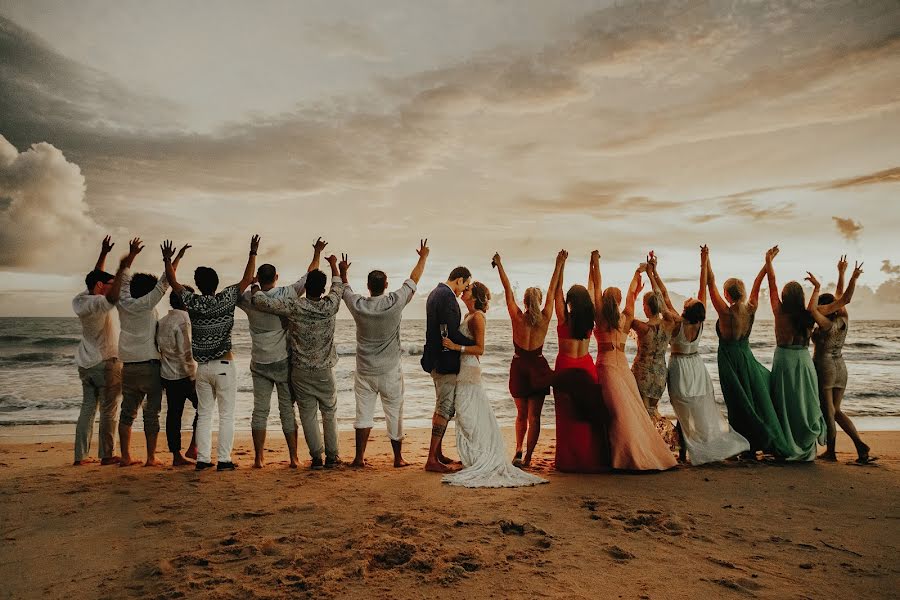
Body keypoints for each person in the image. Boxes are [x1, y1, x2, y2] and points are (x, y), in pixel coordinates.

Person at [163, 236, 259, 471]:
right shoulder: (226, 298)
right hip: (225, 366)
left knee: (205, 414)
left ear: (198, 284)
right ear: (216, 283)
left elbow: (173, 282)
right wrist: (252, 252)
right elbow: (247, 279)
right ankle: (224, 460)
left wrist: (167, 259)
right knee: (226, 415)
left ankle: (203, 459)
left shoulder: (192, 302)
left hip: (203, 368)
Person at [440, 282, 547, 488]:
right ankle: (473, 456)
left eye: (468, 289)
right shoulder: (467, 316)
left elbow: (480, 349)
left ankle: (479, 456)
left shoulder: (478, 317)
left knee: (467, 413)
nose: (464, 291)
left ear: (475, 296)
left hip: (469, 370)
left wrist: (455, 347)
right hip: (465, 369)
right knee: (466, 414)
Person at [238, 237, 327, 469]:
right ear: (276, 278)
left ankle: (258, 459)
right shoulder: (287, 293)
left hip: (258, 361)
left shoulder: (248, 298)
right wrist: (317, 252)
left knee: (260, 410)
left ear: (260, 278)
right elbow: (310, 276)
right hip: (281, 361)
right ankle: (294, 458)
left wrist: (252, 256)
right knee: (287, 409)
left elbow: (243, 283)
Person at [251, 253, 346, 470]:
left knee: (307, 413)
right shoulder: (330, 305)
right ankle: (332, 456)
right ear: (322, 290)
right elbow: (338, 285)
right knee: (329, 412)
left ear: (307, 287)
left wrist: (255, 287)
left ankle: (316, 458)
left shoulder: (295, 306)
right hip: (324, 369)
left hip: (300, 370)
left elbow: (262, 302)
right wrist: (334, 265)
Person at [656, 246, 749, 464]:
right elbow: (702, 291)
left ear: (687, 309)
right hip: (696, 367)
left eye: (688, 301)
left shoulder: (677, 323)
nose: (689, 298)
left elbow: (663, 297)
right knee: (695, 408)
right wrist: (704, 261)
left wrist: (654, 273)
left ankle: (684, 452)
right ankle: (690, 448)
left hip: (679, 367)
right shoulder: (699, 323)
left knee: (682, 409)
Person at [341, 240, 429, 468]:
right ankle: (398, 458)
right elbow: (414, 279)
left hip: (365, 371)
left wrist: (341, 271)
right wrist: (423, 257)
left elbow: (344, 289)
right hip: (390, 370)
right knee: (395, 413)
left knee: (363, 413)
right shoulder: (395, 302)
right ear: (386, 284)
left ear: (368, 286)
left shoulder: (359, 305)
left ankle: (359, 458)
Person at [592, 252, 676, 471]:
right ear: (618, 301)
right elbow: (631, 296)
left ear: (605, 298)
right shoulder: (626, 316)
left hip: (605, 366)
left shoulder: (600, 316)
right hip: (623, 369)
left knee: (614, 413)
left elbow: (595, 286)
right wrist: (637, 274)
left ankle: (619, 455)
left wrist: (594, 263)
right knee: (632, 411)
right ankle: (635, 450)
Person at [707, 248, 792, 459]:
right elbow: (758, 280)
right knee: (751, 401)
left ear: (727, 294)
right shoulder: (750, 308)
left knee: (737, 403)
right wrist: (768, 261)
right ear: (742, 292)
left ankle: (745, 447)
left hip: (729, 361)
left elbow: (710, 284)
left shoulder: (726, 313)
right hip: (746, 357)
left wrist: (706, 259)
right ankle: (750, 446)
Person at [116, 238, 188, 467]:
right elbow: (166, 281)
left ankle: (126, 456)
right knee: (151, 413)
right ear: (148, 291)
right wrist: (174, 259)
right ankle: (150, 457)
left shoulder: (123, 301)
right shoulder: (147, 303)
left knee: (127, 413)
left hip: (127, 367)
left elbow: (125, 275)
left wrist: (132, 254)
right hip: (150, 366)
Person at [492, 251, 562, 467]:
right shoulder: (545, 317)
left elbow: (506, 289)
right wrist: (559, 264)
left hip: (520, 367)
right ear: (539, 301)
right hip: (538, 367)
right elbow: (552, 290)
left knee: (521, 415)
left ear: (524, 301)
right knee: (535, 418)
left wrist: (500, 264)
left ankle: (518, 451)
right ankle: (529, 458)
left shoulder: (516, 317)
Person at [765, 246, 826, 461]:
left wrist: (769, 261)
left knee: (784, 403)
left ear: (784, 296)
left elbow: (771, 283)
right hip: (803, 360)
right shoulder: (808, 314)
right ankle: (805, 446)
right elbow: (815, 303)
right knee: (804, 403)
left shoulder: (779, 312)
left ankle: (786, 445)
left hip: (784, 360)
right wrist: (817, 287)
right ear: (801, 297)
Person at [808, 258, 871, 463]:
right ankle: (860, 445)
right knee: (836, 411)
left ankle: (831, 452)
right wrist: (844, 274)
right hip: (840, 367)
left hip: (825, 366)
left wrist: (817, 290)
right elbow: (842, 297)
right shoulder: (843, 318)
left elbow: (817, 308)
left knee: (829, 411)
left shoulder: (825, 323)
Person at [72, 236, 128, 466]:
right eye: (109, 284)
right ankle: (107, 455)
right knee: (109, 409)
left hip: (86, 363)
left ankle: (80, 457)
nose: (113, 288)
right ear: (100, 288)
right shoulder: (98, 303)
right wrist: (123, 267)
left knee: (88, 409)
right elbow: (111, 297)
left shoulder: (81, 299)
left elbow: (96, 277)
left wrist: (104, 253)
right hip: (105, 361)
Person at [552, 251, 608, 473]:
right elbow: (594, 289)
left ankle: (569, 461)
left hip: (565, 367)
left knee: (567, 418)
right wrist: (593, 264)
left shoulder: (564, 318)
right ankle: (589, 459)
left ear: (570, 302)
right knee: (588, 416)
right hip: (586, 367)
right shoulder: (590, 318)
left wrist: (560, 264)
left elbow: (556, 290)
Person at [421, 267, 475, 473]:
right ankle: (431, 460)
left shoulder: (435, 293)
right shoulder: (447, 297)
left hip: (434, 359)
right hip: (444, 361)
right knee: (445, 408)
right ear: (459, 280)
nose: (465, 290)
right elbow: (450, 333)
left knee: (440, 405)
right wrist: (474, 343)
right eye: (465, 285)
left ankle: (438, 454)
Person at [631, 252, 679, 448]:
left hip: (642, 372)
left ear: (646, 307)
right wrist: (653, 274)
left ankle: (656, 443)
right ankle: (663, 440)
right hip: (660, 372)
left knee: (643, 411)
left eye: (643, 304)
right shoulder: (669, 323)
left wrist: (638, 276)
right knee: (652, 408)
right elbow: (662, 296)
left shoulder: (641, 327)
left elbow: (624, 313)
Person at [157, 284, 199, 466]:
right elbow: (186, 351)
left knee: (174, 414)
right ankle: (194, 447)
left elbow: (160, 348)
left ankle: (176, 454)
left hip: (167, 374)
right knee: (204, 408)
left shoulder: (163, 320)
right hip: (185, 375)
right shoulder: (184, 320)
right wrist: (192, 375)